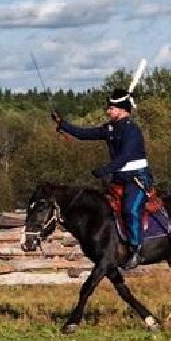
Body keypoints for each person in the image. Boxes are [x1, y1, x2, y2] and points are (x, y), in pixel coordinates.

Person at [52, 89, 152, 269]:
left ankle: (136, 249)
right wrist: (63, 124)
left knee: (130, 210)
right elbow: (84, 134)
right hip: (118, 178)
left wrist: (106, 170)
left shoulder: (132, 130)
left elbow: (125, 156)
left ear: (122, 109)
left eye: (111, 108)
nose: (108, 111)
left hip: (137, 179)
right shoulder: (110, 128)